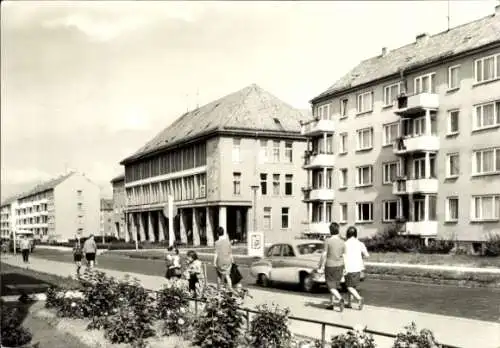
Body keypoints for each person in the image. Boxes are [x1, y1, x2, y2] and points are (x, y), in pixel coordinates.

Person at [318, 222, 346, 311]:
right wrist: (345, 267)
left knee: (330, 285)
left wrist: (320, 265)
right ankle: (331, 304)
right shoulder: (342, 241)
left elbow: (324, 254)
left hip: (330, 265)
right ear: (338, 230)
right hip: (340, 265)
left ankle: (340, 299)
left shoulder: (328, 241)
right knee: (334, 286)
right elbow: (344, 255)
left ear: (330, 231)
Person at [343, 226, 369, 310]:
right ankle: (349, 303)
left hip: (349, 267)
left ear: (347, 234)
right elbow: (367, 255)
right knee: (353, 286)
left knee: (348, 286)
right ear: (355, 234)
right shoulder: (360, 243)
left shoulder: (345, 244)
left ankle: (359, 299)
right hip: (358, 268)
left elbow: (342, 256)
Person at [214, 226, 233, 291]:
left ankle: (218, 289)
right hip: (228, 261)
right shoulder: (228, 242)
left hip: (220, 262)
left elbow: (216, 254)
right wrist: (232, 261)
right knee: (227, 276)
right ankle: (230, 288)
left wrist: (214, 263)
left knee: (219, 275)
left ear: (217, 234)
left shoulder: (216, 243)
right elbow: (230, 253)